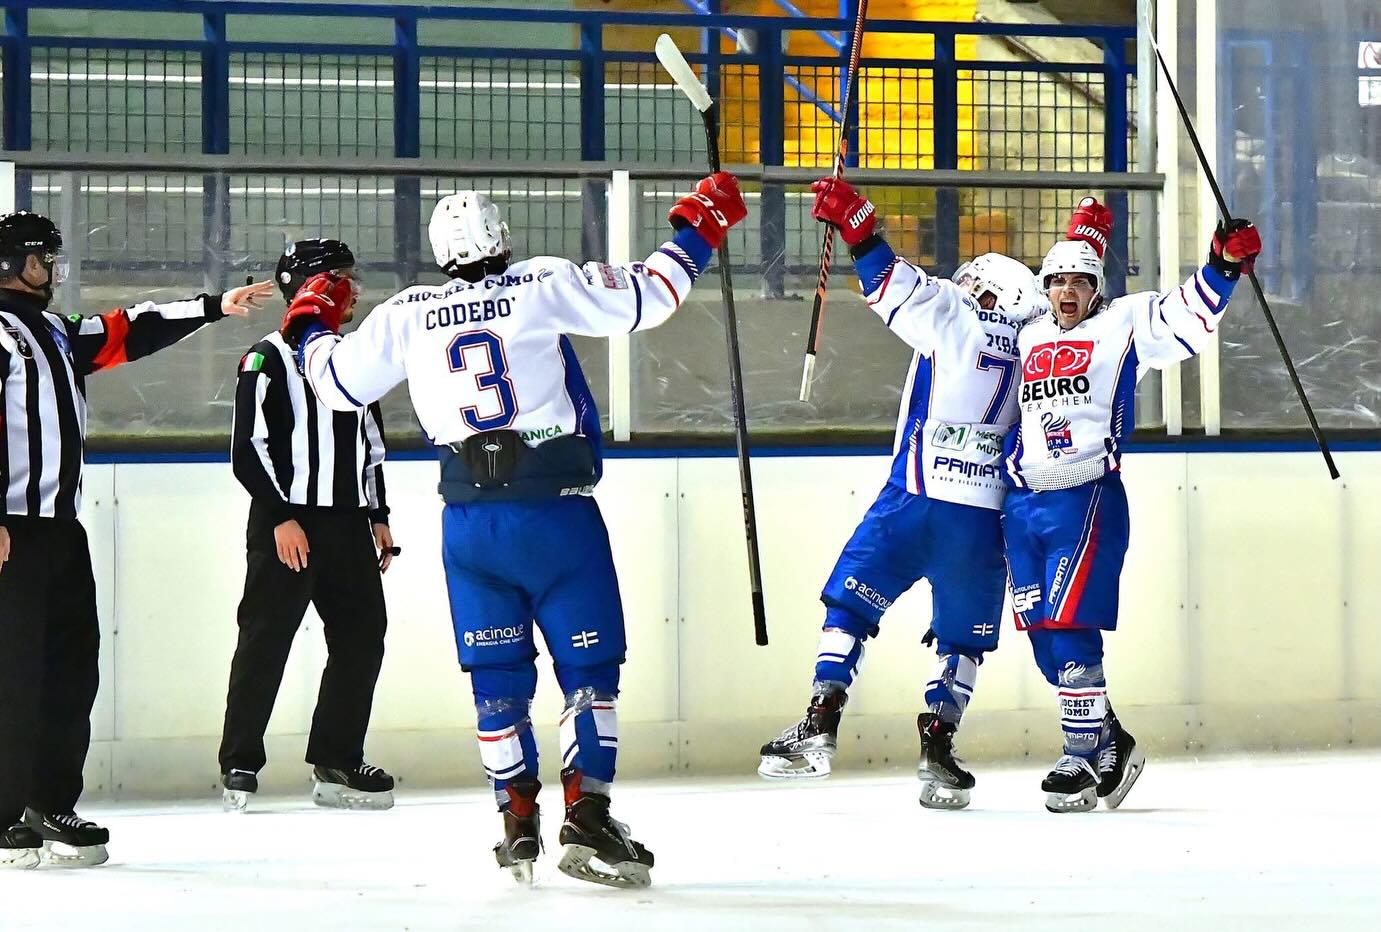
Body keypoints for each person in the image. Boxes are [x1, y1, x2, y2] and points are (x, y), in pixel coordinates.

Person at [279, 175, 747, 887]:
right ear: (500, 237)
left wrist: (308, 321)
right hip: (554, 511)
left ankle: (516, 821)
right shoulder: (538, 283)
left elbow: (336, 384)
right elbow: (656, 294)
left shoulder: (407, 311)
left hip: (468, 525)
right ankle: (586, 817)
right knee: (589, 676)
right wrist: (701, 224)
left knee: (496, 683)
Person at [758, 178, 1045, 810]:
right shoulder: (1039, 345)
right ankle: (938, 747)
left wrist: (859, 225)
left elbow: (889, 283)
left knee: (850, 609)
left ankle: (821, 719)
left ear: (986, 292)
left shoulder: (954, 311)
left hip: (912, 499)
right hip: (982, 517)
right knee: (964, 638)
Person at [0, 210, 272, 869]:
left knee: (70, 670)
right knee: (10, 675)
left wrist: (213, 306)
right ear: (13, 265)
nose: (53, 269)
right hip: (12, 534)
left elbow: (130, 330)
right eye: (43, 258)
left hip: (61, 531)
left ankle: (47, 801)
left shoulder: (57, 333)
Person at [1003, 197, 1261, 812]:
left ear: (1098, 287)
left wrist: (1221, 267)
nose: (1069, 291)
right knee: (1042, 635)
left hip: (1085, 496)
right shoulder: (1027, 333)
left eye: (1082, 281)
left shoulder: (1124, 324)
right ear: (1045, 287)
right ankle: (1112, 745)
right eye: (1059, 280)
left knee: (1070, 624)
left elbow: (1185, 318)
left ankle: (1079, 755)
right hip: (1022, 503)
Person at [219, 239, 397, 813]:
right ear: (309, 287)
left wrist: (378, 516)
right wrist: (280, 517)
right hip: (288, 525)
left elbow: (370, 444)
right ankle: (240, 761)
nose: (352, 291)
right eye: (340, 279)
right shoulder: (265, 358)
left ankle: (337, 758)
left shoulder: (350, 359)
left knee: (362, 637)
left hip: (347, 524)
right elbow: (248, 446)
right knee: (265, 639)